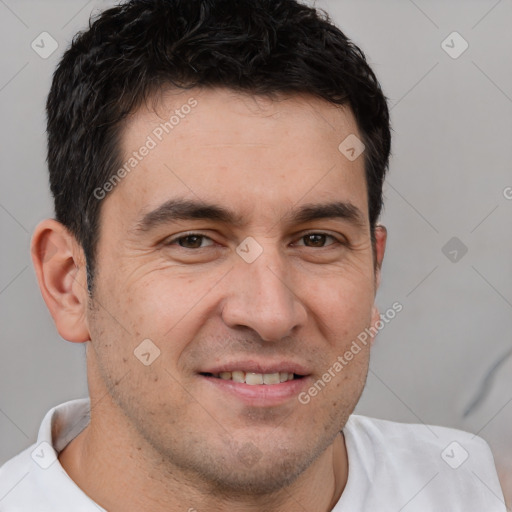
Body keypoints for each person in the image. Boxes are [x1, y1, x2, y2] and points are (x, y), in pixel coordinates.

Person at [0, 0, 506, 510]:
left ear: (374, 270)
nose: (271, 313)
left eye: (316, 240)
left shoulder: (475, 492)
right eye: (193, 241)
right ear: (68, 282)